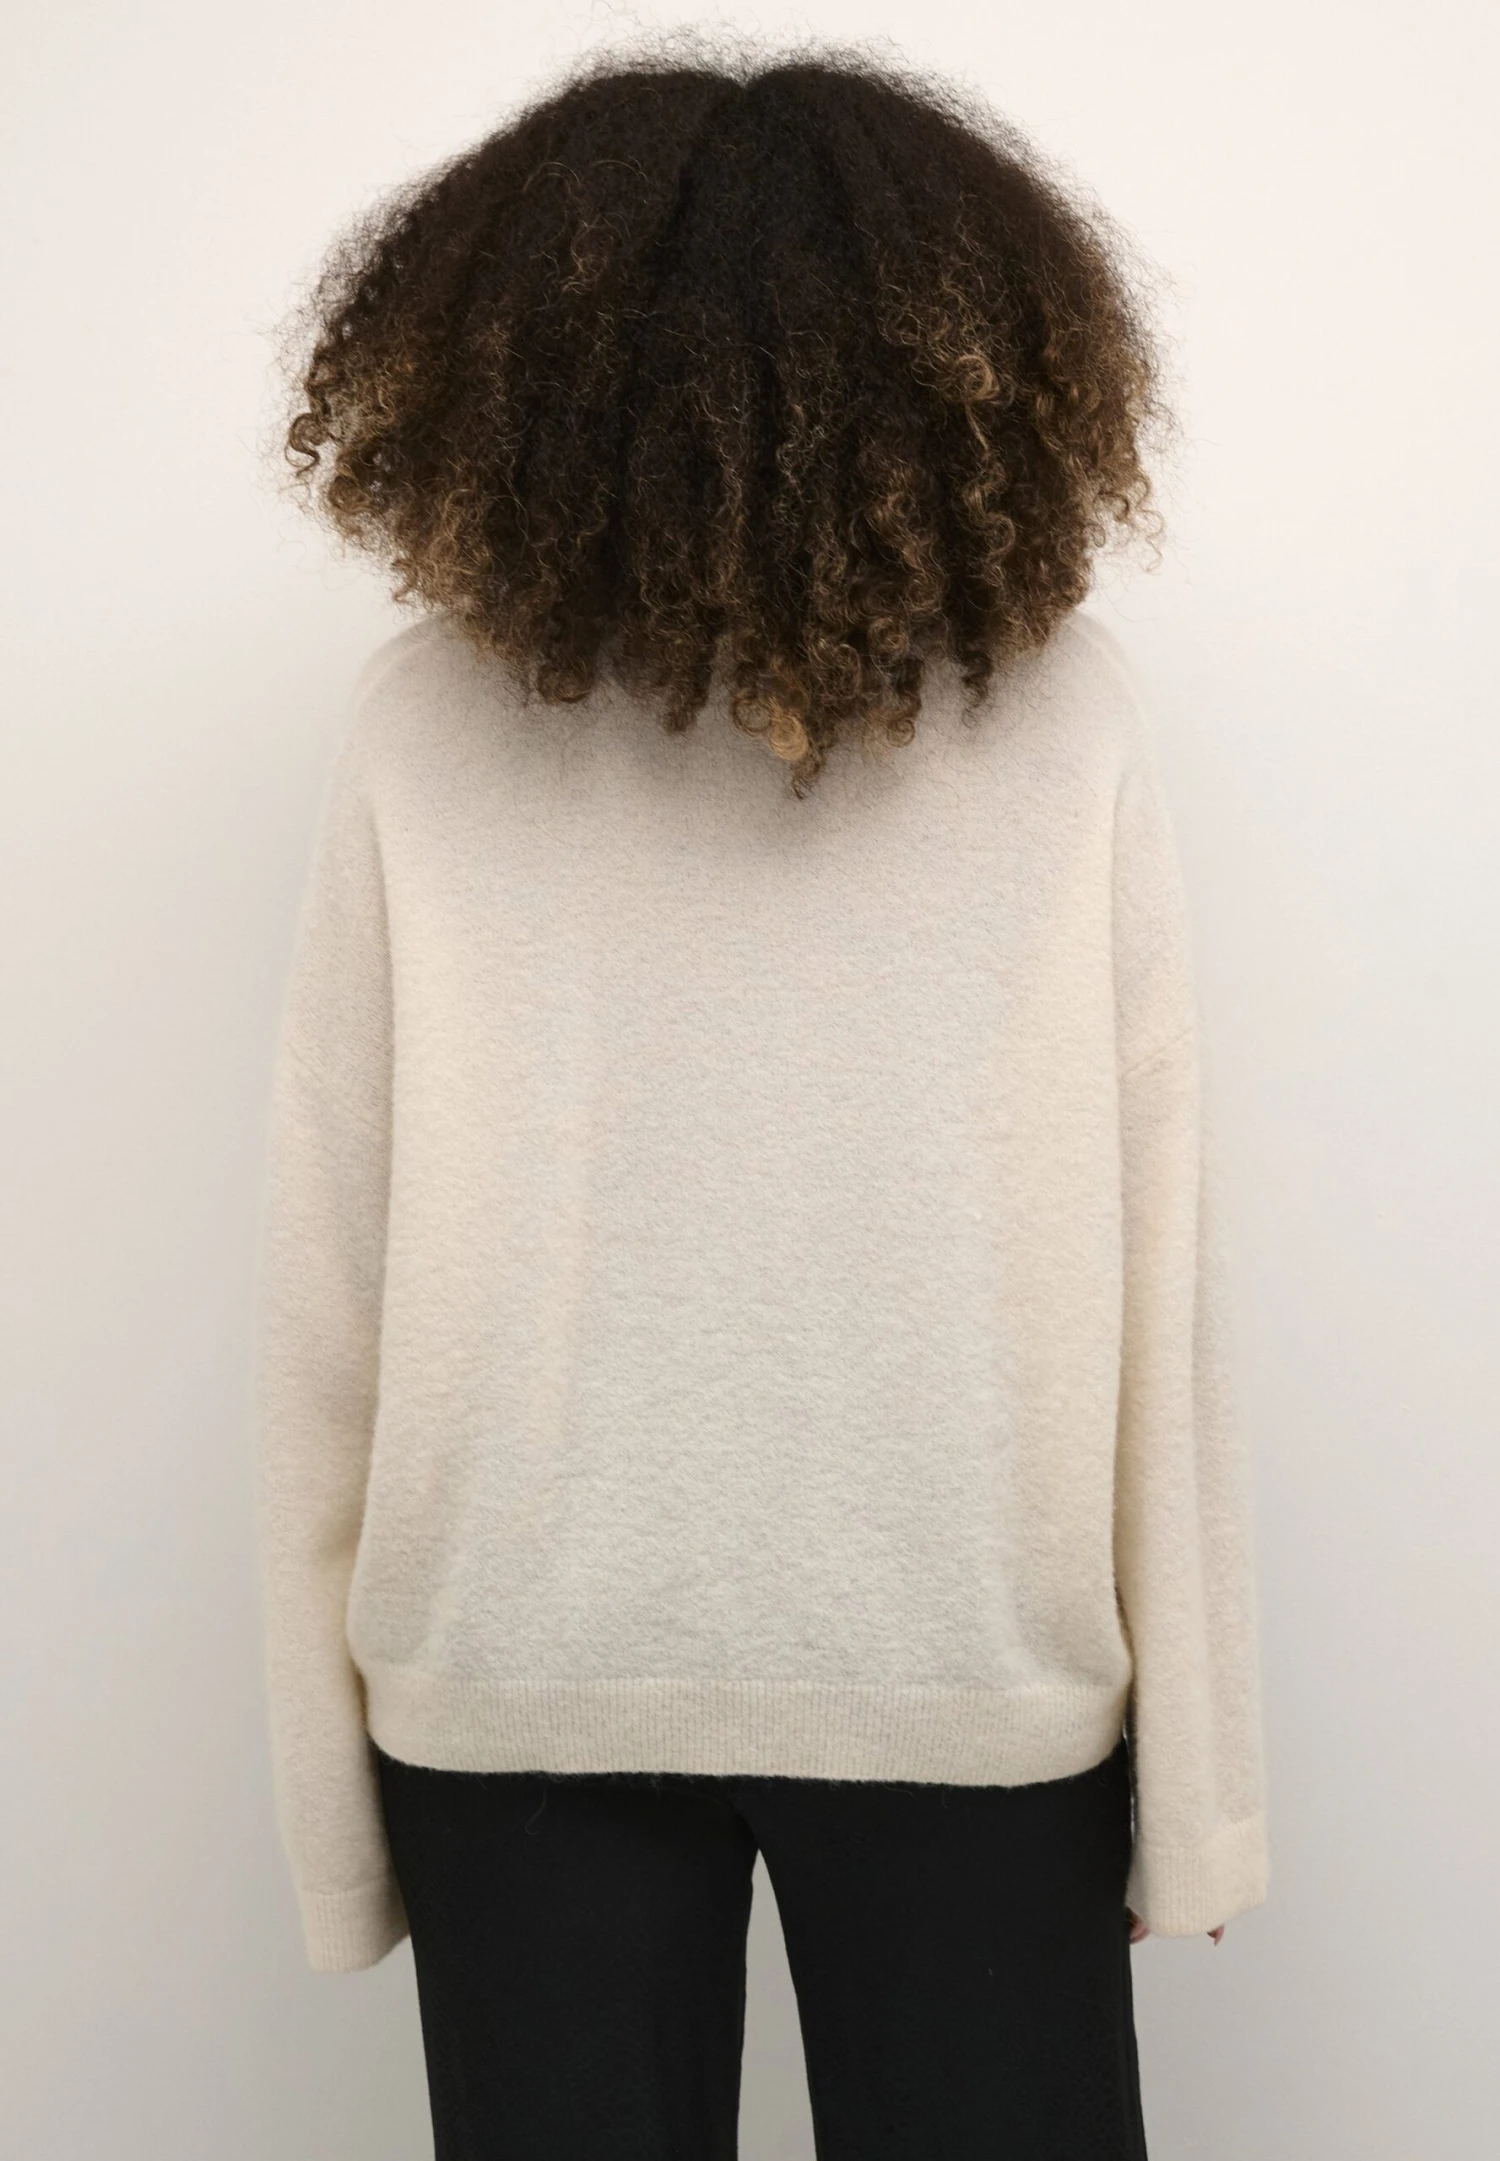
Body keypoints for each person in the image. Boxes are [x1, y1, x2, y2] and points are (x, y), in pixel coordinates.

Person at [251, 37, 1269, 2159]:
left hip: (512, 1677)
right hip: (967, 1668)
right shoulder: (1059, 721)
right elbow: (1160, 1279)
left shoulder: (422, 725)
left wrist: (330, 1822)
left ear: (504, 366)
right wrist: (1198, 1799)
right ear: (974, 364)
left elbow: (322, 1285)